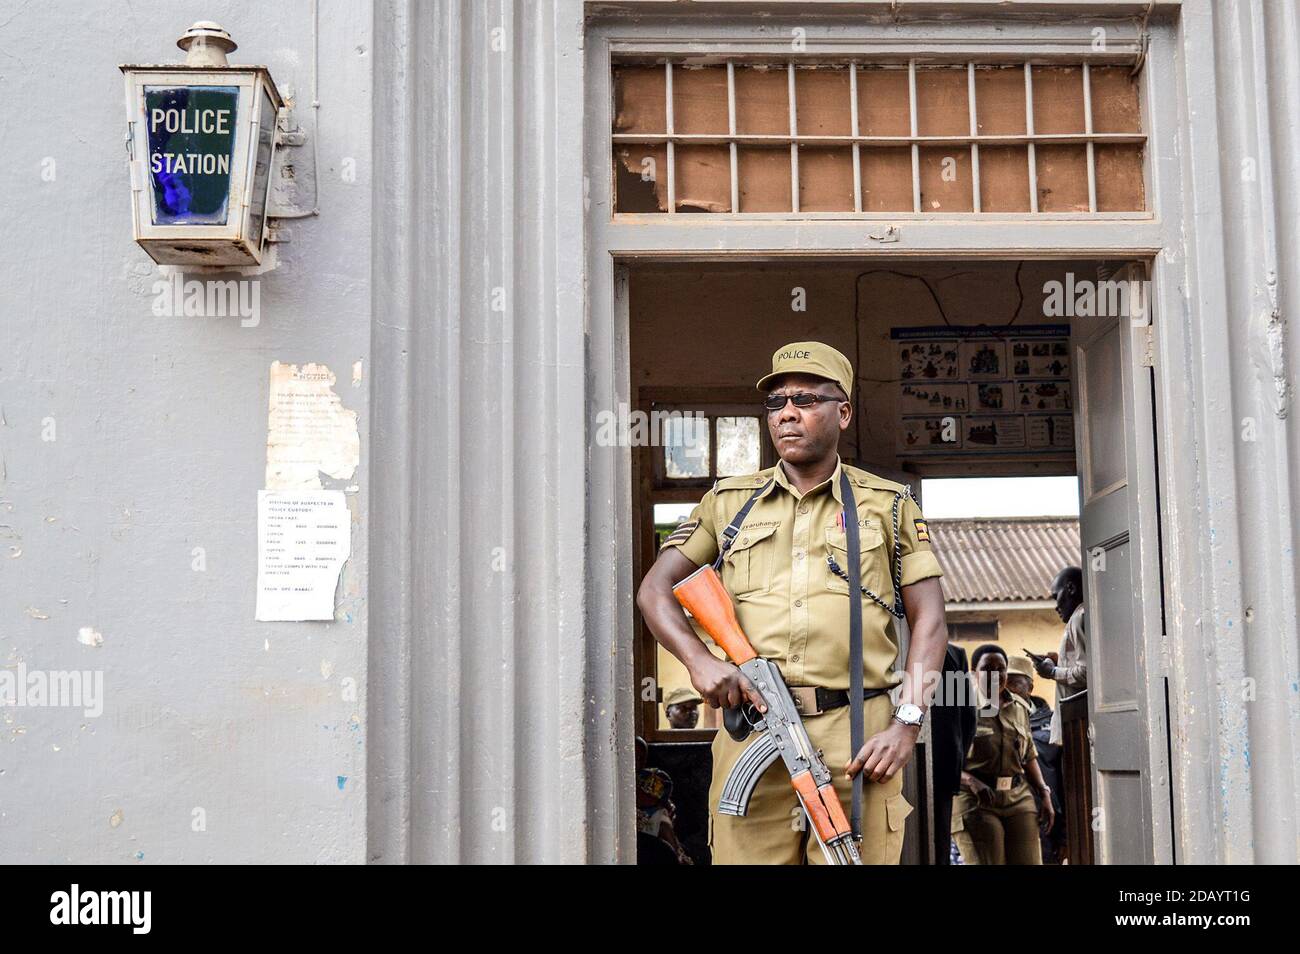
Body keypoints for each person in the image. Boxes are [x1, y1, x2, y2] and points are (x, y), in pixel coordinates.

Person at [637, 341, 949, 865]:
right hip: (753, 726)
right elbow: (654, 590)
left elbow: (931, 621)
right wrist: (700, 661)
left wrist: (907, 724)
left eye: (806, 399)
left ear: (843, 412)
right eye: (776, 402)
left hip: (860, 737)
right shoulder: (729, 503)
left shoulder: (888, 505)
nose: (787, 412)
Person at [951, 645, 1054, 865]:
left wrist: (1044, 792)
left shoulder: (1019, 707)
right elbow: (943, 760)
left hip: (1018, 797)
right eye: (988, 668)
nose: (995, 675)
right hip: (976, 799)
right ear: (973, 671)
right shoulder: (960, 707)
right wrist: (971, 781)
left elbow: (1028, 754)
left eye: (1001, 669)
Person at [1008, 654, 1065, 863]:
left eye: (1015, 683)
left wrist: (1064, 835)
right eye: (1004, 683)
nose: (1009, 690)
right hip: (1009, 814)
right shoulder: (989, 719)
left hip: (1046, 819)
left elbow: (1067, 779)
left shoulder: (1052, 724)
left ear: (1030, 688)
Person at [928, 642, 976, 865]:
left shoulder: (954, 654)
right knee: (938, 839)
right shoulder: (954, 654)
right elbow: (969, 717)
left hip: (942, 762)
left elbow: (967, 715)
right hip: (943, 760)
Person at [1037, 566, 1086, 745]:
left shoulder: (1079, 618)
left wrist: (1053, 672)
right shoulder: (1083, 616)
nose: (1056, 606)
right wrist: (1059, 662)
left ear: (1071, 589)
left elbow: (1087, 674)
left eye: (1056, 597)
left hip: (1078, 724)